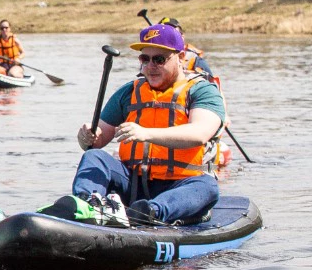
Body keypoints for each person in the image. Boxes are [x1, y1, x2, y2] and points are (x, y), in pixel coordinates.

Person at [72, 23, 224, 226]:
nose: (151, 66)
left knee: (207, 186)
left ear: (180, 58)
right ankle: (87, 204)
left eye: (159, 59)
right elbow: (97, 140)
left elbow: (199, 133)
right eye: (145, 59)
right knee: (93, 157)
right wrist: (88, 137)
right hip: (134, 184)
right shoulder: (128, 92)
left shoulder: (203, 91)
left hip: (182, 185)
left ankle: (149, 212)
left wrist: (146, 134)